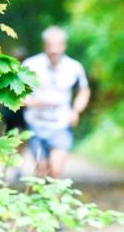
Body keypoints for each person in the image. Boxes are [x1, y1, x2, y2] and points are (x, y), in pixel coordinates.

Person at [22, 26, 91, 179]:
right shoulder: (30, 65)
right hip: (36, 123)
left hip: (61, 124)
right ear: (44, 45)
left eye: (58, 45)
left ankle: (57, 200)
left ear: (64, 46)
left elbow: (84, 91)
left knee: (56, 171)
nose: (54, 50)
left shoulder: (74, 67)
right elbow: (17, 93)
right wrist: (31, 102)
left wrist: (76, 111)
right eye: (50, 45)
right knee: (42, 171)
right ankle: (42, 202)